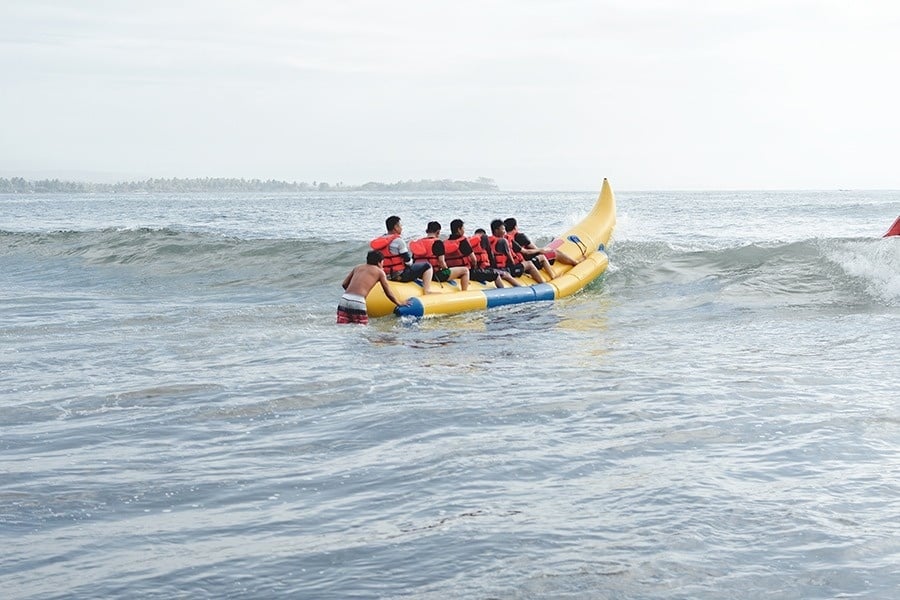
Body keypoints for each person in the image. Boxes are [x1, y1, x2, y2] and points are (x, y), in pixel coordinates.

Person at [337, 250, 408, 324]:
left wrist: (353, 295)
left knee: (342, 326)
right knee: (361, 329)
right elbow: (388, 292)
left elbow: (344, 284)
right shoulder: (380, 272)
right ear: (379, 262)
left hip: (344, 299)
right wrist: (399, 303)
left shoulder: (358, 267)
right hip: (358, 301)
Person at [503, 217, 584, 281]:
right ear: (515, 227)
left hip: (519, 265)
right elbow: (534, 249)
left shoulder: (505, 239)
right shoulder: (520, 236)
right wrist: (544, 250)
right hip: (531, 263)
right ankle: (575, 263)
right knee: (555, 252)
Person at [446, 219, 520, 287]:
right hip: (467, 272)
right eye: (463, 228)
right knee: (495, 275)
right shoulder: (463, 242)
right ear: (459, 229)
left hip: (453, 272)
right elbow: (474, 259)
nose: (464, 230)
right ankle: (504, 294)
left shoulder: (446, 243)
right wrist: (475, 268)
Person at [370, 216, 434, 293]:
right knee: (427, 265)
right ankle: (427, 290)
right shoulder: (398, 241)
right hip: (399, 276)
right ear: (395, 227)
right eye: (400, 225)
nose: (402, 228)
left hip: (383, 275)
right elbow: (408, 261)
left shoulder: (379, 241)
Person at [409, 221, 470, 290]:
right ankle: (464, 292)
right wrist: (447, 271)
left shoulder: (418, 243)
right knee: (465, 270)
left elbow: (414, 262)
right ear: (438, 232)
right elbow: (442, 262)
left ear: (427, 231)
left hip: (420, 275)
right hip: (435, 275)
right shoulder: (438, 243)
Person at [487, 219, 545, 283]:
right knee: (529, 264)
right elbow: (524, 252)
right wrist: (540, 250)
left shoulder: (487, 241)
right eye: (503, 229)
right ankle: (542, 284)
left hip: (494, 269)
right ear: (496, 230)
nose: (504, 232)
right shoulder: (504, 241)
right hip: (507, 269)